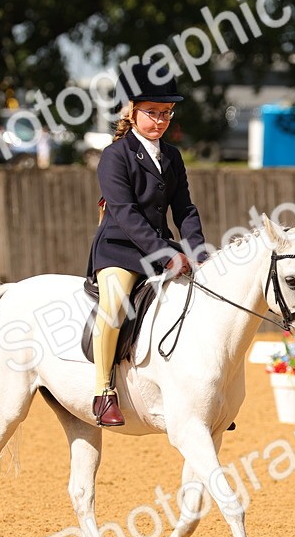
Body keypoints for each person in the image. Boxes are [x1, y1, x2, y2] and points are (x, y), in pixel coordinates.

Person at [86, 63, 209, 427]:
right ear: (132, 110)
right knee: (115, 305)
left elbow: (184, 208)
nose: (160, 120)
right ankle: (103, 391)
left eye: (166, 113)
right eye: (152, 113)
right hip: (120, 249)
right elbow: (125, 214)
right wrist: (168, 252)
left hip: (159, 248)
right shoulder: (115, 156)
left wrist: (198, 251)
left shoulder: (171, 157)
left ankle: (203, 395)